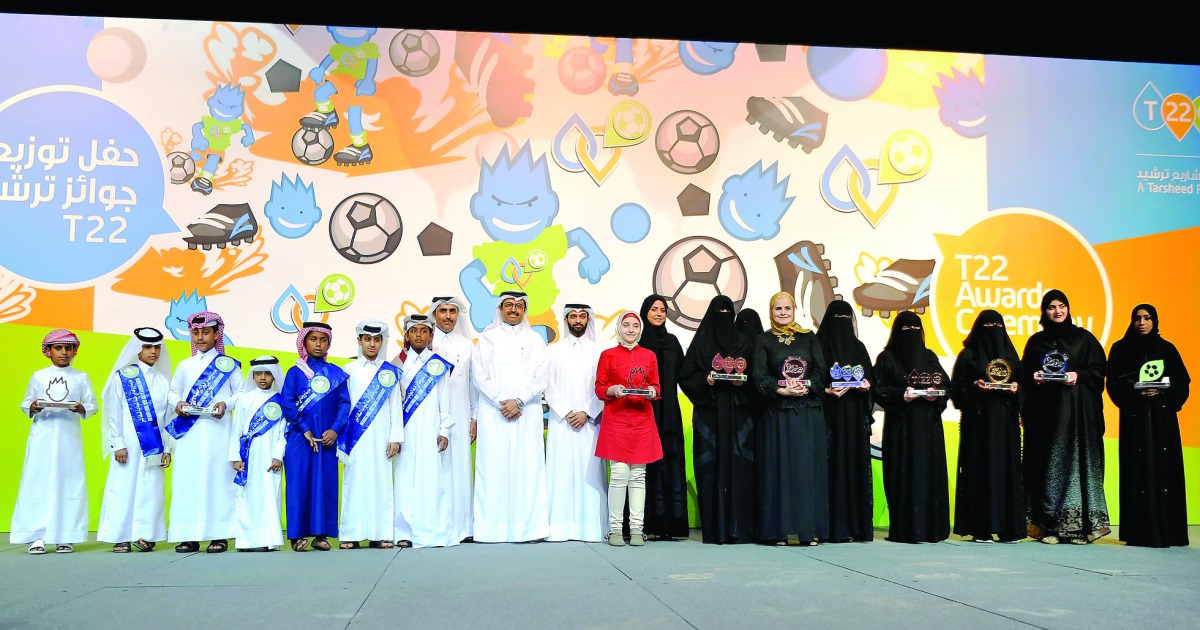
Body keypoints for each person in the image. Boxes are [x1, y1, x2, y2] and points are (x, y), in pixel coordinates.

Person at [1021, 289, 1110, 544]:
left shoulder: (1084, 339)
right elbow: (1024, 375)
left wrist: (1078, 376)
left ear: (1069, 308)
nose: (1057, 311)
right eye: (1051, 307)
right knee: (1048, 469)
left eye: (1062, 306)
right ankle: (1050, 528)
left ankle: (1081, 530)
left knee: (1078, 469)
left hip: (1078, 419)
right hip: (1046, 418)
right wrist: (1033, 377)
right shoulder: (1036, 342)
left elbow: (1098, 372)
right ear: (1044, 311)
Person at [470, 291, 551, 543]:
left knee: (527, 470)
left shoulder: (536, 340)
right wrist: (501, 402)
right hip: (493, 412)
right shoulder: (487, 338)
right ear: (500, 308)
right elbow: (478, 375)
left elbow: (542, 376)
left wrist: (519, 401)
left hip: (527, 413)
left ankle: (529, 530)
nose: (514, 309)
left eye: (518, 305)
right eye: (509, 305)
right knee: (492, 469)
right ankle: (490, 530)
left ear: (524, 310)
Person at [1106, 303, 1189, 547]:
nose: (1142, 323)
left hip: (1163, 421)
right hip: (1135, 419)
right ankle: (1139, 532)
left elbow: (1182, 382)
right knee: (1137, 470)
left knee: (1165, 471)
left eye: (1147, 318)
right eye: (1137, 318)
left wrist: (1164, 390)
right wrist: (1135, 392)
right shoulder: (1121, 349)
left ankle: (1168, 531)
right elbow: (1113, 383)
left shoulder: (1167, 349)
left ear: (1155, 321)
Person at [751, 292, 829, 546]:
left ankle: (808, 531)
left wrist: (807, 387)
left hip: (807, 414)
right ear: (771, 311)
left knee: (807, 471)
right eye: (778, 309)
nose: (783, 313)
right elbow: (758, 376)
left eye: (787, 308)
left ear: (794, 310)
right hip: (777, 415)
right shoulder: (763, 339)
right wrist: (779, 389)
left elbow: (821, 372)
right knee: (778, 472)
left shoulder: (808, 337)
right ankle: (778, 532)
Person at [12, 329, 98, 555]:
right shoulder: (38, 376)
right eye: (58, 348)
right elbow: (27, 402)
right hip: (42, 436)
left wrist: (81, 408)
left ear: (74, 351)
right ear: (48, 351)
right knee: (37, 482)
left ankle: (66, 535)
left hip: (69, 438)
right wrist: (32, 407)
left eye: (68, 348)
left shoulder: (81, 377)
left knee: (68, 482)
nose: (63, 352)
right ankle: (37, 536)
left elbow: (92, 405)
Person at [679, 295, 756, 544]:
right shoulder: (701, 344)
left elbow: (756, 377)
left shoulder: (743, 343)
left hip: (738, 416)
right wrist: (706, 380)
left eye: (727, 311)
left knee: (740, 468)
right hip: (709, 415)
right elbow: (686, 376)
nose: (724, 316)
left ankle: (739, 529)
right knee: (709, 469)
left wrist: (742, 383)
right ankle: (714, 530)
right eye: (719, 312)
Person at [166, 312, 243, 554]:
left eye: (206, 332)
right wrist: (178, 403)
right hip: (189, 433)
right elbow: (173, 393)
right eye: (196, 333)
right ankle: (188, 535)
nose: (200, 337)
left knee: (217, 480)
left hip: (218, 432)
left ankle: (218, 534)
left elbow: (241, 394)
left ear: (216, 334)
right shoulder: (184, 365)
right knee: (188, 480)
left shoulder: (228, 365)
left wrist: (226, 404)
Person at [873, 310, 950, 543]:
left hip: (928, 427)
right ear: (897, 332)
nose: (912, 334)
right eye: (906, 330)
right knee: (902, 472)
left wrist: (935, 394)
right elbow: (878, 389)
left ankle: (931, 529)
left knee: (929, 472)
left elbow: (946, 385)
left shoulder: (929, 356)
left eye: (916, 330)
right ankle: (904, 529)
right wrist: (901, 395)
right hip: (900, 427)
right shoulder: (886, 358)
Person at [950, 309, 1025, 543]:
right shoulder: (968, 356)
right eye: (988, 327)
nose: (993, 332)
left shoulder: (1011, 357)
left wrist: (1017, 389)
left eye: (997, 327)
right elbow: (956, 388)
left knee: (1007, 472)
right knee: (978, 471)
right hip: (978, 426)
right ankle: (980, 528)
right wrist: (975, 386)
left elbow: (1025, 388)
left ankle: (1008, 528)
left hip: (1006, 426)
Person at [97, 327, 174, 553]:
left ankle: (146, 535)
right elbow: (114, 413)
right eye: (147, 347)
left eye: (157, 347)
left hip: (155, 446)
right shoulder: (123, 376)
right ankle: (120, 536)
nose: (153, 351)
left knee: (152, 489)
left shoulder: (165, 381)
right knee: (123, 487)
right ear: (137, 349)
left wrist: (168, 447)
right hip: (128, 443)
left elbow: (168, 417)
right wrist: (118, 443)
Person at [595, 311, 663, 546]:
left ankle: (636, 530)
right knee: (619, 475)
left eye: (635, 325)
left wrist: (653, 391)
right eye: (626, 325)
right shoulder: (607, 355)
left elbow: (656, 386)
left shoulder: (649, 355)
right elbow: (599, 388)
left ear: (640, 329)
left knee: (638, 476)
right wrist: (613, 390)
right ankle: (615, 530)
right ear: (619, 328)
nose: (631, 330)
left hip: (642, 422)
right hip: (616, 421)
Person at [281, 321, 350, 552]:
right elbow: (288, 403)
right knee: (298, 484)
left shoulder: (336, 373)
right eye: (313, 339)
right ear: (304, 342)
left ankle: (321, 535)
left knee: (325, 484)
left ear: (329, 344)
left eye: (323, 340)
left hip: (327, 440)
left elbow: (344, 404)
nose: (318, 344)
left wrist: (335, 429)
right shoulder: (295, 373)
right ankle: (297, 536)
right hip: (300, 439)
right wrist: (304, 428)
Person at [393, 314, 458, 549]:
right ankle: (404, 531)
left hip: (432, 430)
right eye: (414, 331)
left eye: (423, 331)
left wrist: (444, 430)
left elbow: (444, 399)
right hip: (406, 432)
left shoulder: (437, 364)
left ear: (431, 336)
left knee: (432, 480)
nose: (419, 335)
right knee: (404, 479)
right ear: (407, 335)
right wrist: (395, 435)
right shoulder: (397, 364)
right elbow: (393, 403)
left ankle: (434, 531)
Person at [338, 320, 404, 550]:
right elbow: (342, 406)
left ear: (382, 342)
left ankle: (381, 534)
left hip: (382, 437)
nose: (372, 344)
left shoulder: (389, 371)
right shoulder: (348, 370)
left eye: (377, 340)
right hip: (354, 437)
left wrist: (395, 437)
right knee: (353, 482)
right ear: (359, 341)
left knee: (381, 483)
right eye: (367, 339)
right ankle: (351, 534)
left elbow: (395, 406)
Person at [545, 303, 607, 543]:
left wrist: (587, 412)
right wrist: (567, 411)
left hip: (590, 423)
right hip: (562, 421)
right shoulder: (553, 350)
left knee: (590, 475)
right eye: (573, 316)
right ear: (566, 320)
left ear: (588, 320)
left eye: (582, 316)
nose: (578, 320)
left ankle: (591, 528)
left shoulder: (599, 351)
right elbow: (548, 385)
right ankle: (559, 528)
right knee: (560, 473)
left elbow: (603, 386)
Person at [816, 299, 876, 543]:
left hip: (853, 419)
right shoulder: (819, 347)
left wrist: (866, 386)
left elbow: (870, 379)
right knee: (829, 467)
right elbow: (813, 381)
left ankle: (854, 527)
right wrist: (826, 391)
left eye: (845, 319)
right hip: (828, 419)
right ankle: (828, 527)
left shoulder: (858, 348)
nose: (841, 324)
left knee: (853, 467)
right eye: (837, 319)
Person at [637, 294, 690, 541]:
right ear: (645, 312)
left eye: (662, 310)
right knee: (644, 467)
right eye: (654, 309)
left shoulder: (672, 342)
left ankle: (671, 524)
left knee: (670, 462)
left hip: (668, 413)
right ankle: (645, 523)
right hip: (643, 412)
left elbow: (685, 374)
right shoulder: (637, 341)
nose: (658, 314)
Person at [429, 296, 478, 543]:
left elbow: (473, 383)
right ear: (434, 314)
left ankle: (463, 527)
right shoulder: (425, 342)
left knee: (460, 468)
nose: (448, 316)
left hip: (460, 413)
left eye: (452, 311)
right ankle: (435, 525)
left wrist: (474, 416)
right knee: (435, 468)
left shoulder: (468, 345)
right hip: (431, 415)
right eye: (443, 311)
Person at [228, 356, 287, 551]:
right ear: (252, 376)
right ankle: (247, 541)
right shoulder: (244, 399)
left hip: (270, 458)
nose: (263, 378)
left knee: (270, 496)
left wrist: (278, 455)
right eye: (258, 374)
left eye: (267, 374)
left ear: (274, 375)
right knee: (247, 497)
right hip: (248, 457)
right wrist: (235, 457)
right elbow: (236, 430)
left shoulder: (281, 401)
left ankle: (269, 541)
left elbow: (283, 432)